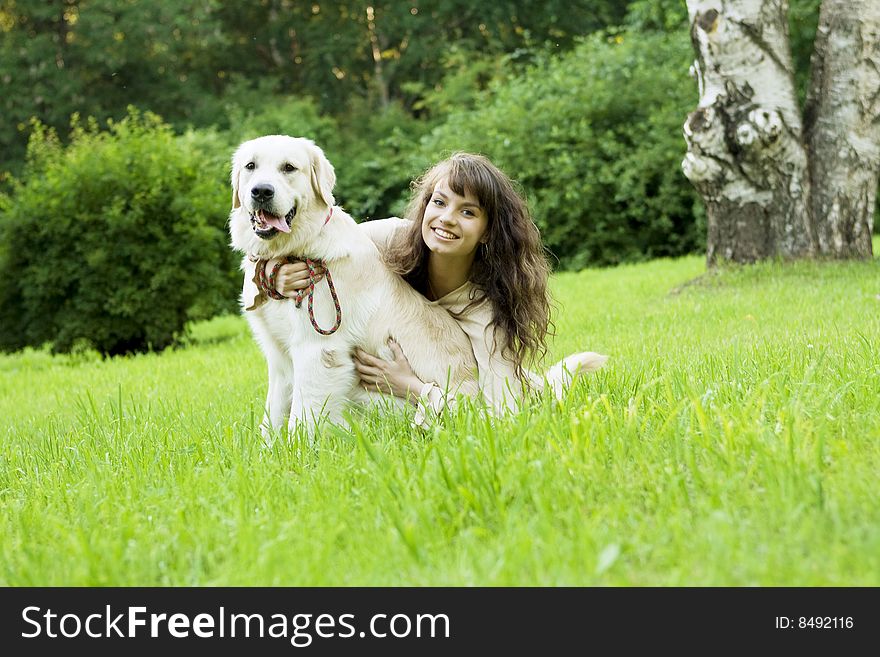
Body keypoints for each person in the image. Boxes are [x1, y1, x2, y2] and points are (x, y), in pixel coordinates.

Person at [243, 152, 606, 421]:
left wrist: (410, 387)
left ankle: (544, 384)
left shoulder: (485, 311)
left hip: (453, 369)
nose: (446, 219)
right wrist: (269, 278)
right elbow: (312, 246)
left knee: (516, 393)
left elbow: (502, 416)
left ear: (488, 232)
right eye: (439, 202)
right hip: (424, 349)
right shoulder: (389, 237)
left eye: (468, 212)